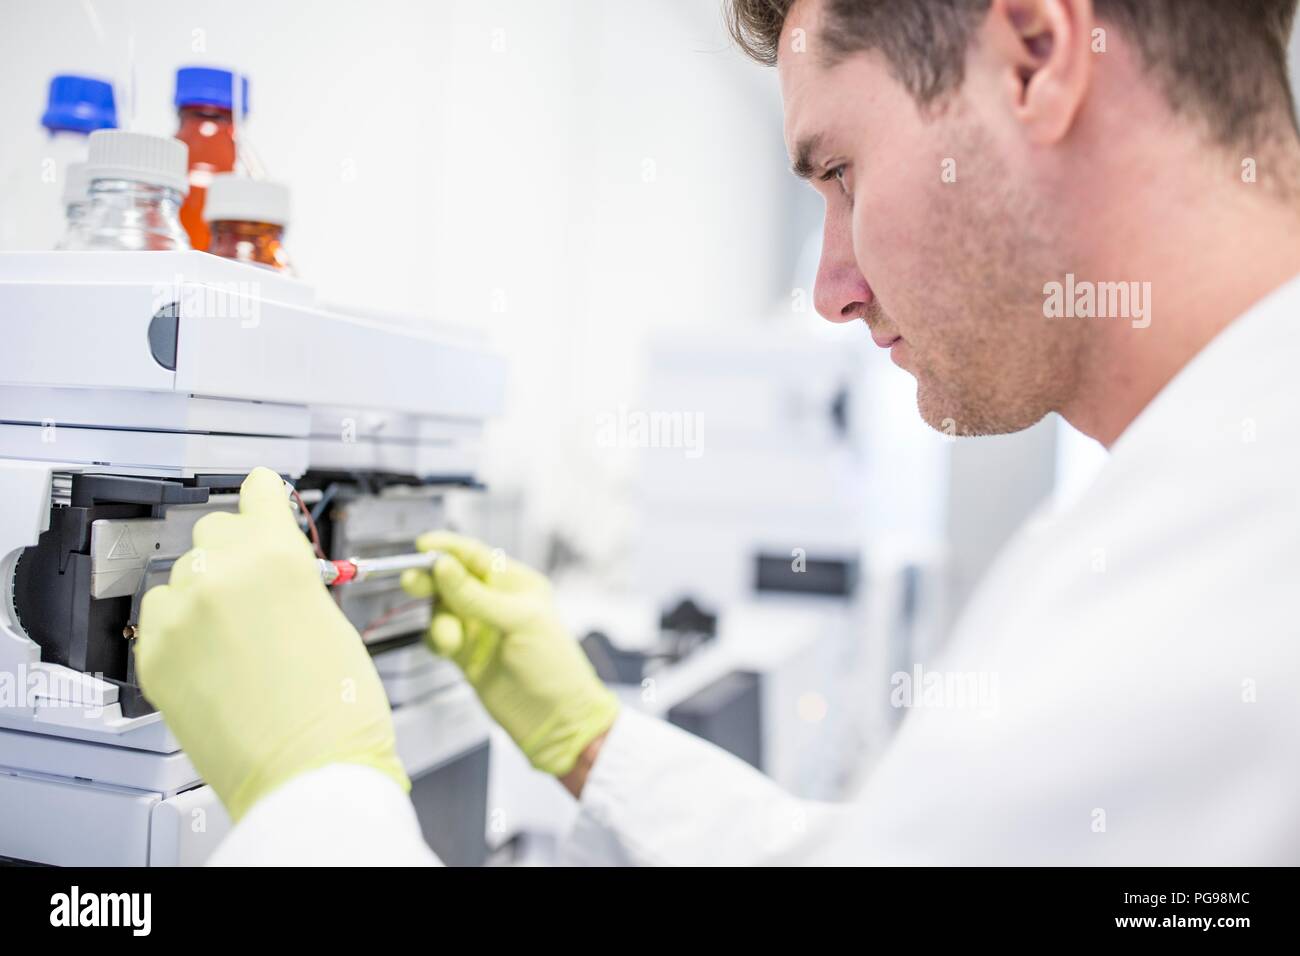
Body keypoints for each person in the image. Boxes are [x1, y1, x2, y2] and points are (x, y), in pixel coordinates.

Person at [137, 0, 1300, 865]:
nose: (831, 290)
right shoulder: (1220, 492)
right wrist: (595, 738)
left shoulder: (1209, 587)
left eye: (842, 170)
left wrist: (317, 795)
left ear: (1037, 55)